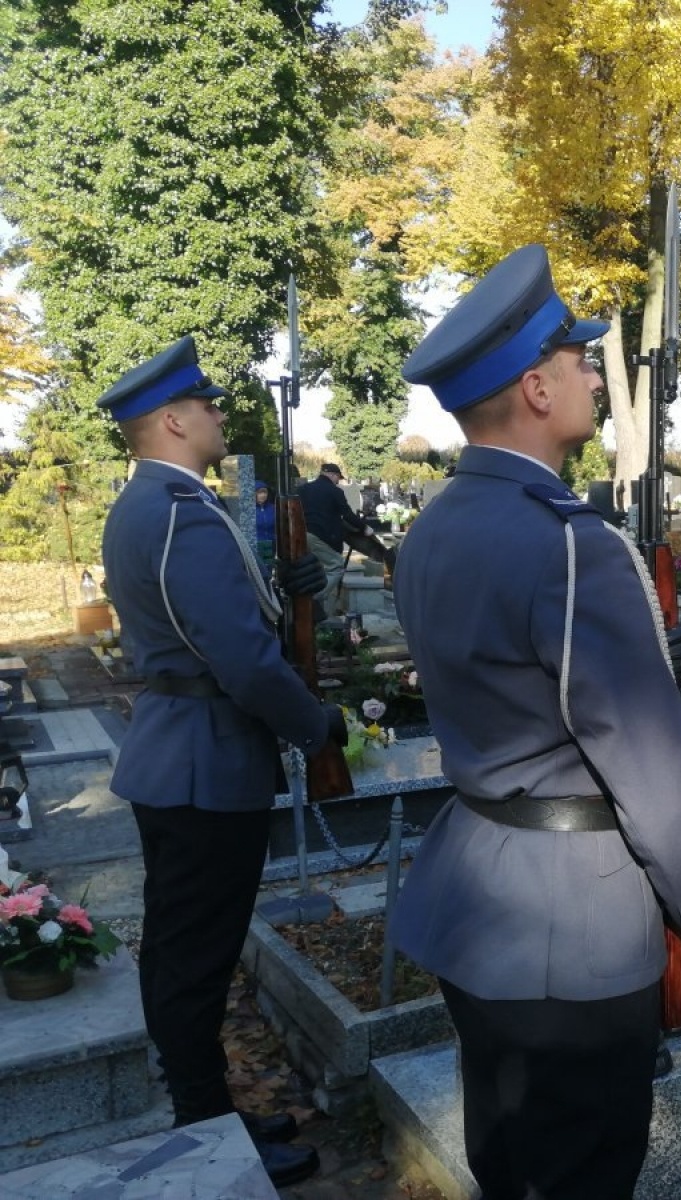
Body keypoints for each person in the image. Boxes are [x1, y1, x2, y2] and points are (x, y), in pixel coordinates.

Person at [394, 244, 681, 1200]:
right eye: (580, 359)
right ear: (537, 389)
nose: (594, 372)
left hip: (477, 894)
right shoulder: (572, 544)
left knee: (511, 1162)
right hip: (572, 920)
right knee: (583, 1170)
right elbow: (656, 777)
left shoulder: (435, 527)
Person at [95, 335, 344, 1187]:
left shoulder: (150, 507)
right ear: (171, 421)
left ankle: (208, 1106)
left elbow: (230, 627)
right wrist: (318, 727)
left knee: (181, 950)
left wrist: (295, 595)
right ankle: (205, 1127)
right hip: (205, 765)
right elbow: (240, 662)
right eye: (204, 404)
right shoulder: (179, 514)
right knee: (195, 958)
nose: (218, 413)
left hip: (176, 754)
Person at [295, 461, 372, 617]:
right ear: (332, 474)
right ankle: (314, 600)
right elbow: (347, 514)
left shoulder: (304, 489)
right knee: (336, 566)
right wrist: (364, 528)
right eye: (338, 477)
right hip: (322, 536)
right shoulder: (334, 491)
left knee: (318, 570)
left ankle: (321, 611)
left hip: (303, 533)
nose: (338, 481)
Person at [253, 481, 276, 572]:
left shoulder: (273, 508)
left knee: (269, 570)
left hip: (271, 545)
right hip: (257, 545)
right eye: (259, 492)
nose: (263, 495)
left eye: (264, 492)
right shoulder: (249, 509)